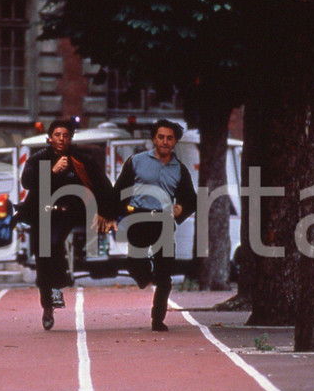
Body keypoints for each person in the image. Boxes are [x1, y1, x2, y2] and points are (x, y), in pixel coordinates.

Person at [18, 119, 115, 330]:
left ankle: (58, 284)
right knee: (42, 259)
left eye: (65, 135)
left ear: (70, 138)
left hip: (68, 215)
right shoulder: (38, 158)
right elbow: (26, 182)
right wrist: (51, 171)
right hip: (41, 215)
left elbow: (103, 187)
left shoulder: (81, 160)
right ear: (50, 137)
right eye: (57, 135)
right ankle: (47, 306)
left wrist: (106, 213)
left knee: (53, 244)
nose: (61, 139)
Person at [112, 119, 196, 332]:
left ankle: (158, 319)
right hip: (138, 219)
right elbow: (119, 190)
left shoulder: (180, 169)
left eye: (169, 138)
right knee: (135, 267)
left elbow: (192, 200)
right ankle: (144, 276)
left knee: (165, 275)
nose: (165, 142)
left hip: (164, 222)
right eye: (161, 137)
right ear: (153, 138)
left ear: (175, 141)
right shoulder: (136, 161)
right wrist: (113, 215)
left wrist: (181, 210)